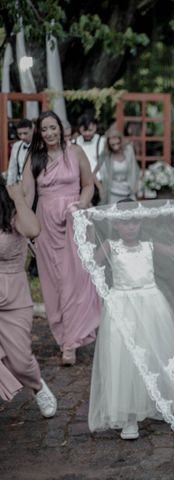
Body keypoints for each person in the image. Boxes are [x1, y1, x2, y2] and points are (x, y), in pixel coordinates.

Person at [88, 201, 174, 440]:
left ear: (141, 222)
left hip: (151, 304)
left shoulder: (149, 246)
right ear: (116, 224)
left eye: (134, 221)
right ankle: (129, 415)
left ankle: (157, 403)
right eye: (124, 222)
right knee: (126, 358)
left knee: (156, 354)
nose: (130, 227)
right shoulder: (111, 246)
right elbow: (90, 259)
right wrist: (89, 225)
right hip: (122, 305)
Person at [20, 111, 100, 366]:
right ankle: (64, 336)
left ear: (61, 129)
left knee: (74, 280)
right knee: (54, 283)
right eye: (45, 130)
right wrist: (24, 225)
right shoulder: (34, 157)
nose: (50, 133)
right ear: (39, 133)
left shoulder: (75, 152)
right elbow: (26, 194)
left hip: (73, 222)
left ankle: (71, 343)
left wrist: (80, 205)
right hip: (46, 225)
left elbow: (88, 185)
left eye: (53, 128)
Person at [0, 177, 57, 417]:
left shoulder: (12, 213)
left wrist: (19, 199)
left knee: (20, 360)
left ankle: (36, 385)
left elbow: (33, 230)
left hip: (13, 296)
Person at [94, 128, 140, 204]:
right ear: (108, 144)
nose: (116, 147)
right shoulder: (106, 154)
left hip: (129, 191)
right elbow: (93, 174)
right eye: (113, 145)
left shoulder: (129, 150)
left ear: (121, 141)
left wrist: (136, 185)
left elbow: (135, 169)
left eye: (118, 143)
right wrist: (100, 188)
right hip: (113, 193)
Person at [6, 118, 34, 185]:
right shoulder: (16, 146)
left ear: (32, 130)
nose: (22, 137)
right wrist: (9, 187)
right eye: (20, 134)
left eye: (25, 133)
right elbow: (12, 170)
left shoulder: (40, 146)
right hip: (20, 184)